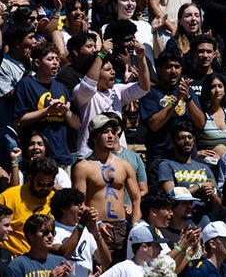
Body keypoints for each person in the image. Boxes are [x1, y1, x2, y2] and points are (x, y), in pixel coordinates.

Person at [72, 114, 142, 261]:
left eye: (113, 131)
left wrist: (135, 226)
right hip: (97, 228)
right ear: (94, 136)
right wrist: (96, 224)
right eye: (105, 132)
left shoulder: (125, 165)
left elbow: (136, 198)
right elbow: (79, 203)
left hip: (122, 227)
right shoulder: (83, 167)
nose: (111, 136)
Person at [0, 156, 59, 256]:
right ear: (30, 177)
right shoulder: (10, 196)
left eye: (49, 184)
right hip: (11, 258)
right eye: (40, 184)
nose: (45, 188)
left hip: (43, 260)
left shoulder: (55, 199)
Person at [49, 188, 112, 277]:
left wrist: (96, 234)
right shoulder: (51, 229)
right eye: (78, 205)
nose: (83, 208)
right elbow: (63, 255)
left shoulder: (86, 230)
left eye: (83, 204)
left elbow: (106, 262)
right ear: (63, 208)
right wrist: (81, 225)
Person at [5, 214, 74, 277]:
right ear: (30, 235)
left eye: (52, 232)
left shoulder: (61, 262)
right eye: (45, 232)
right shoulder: (18, 266)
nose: (50, 236)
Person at [99, 224, 169, 277]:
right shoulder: (123, 268)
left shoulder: (156, 270)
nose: (161, 248)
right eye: (157, 245)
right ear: (144, 247)